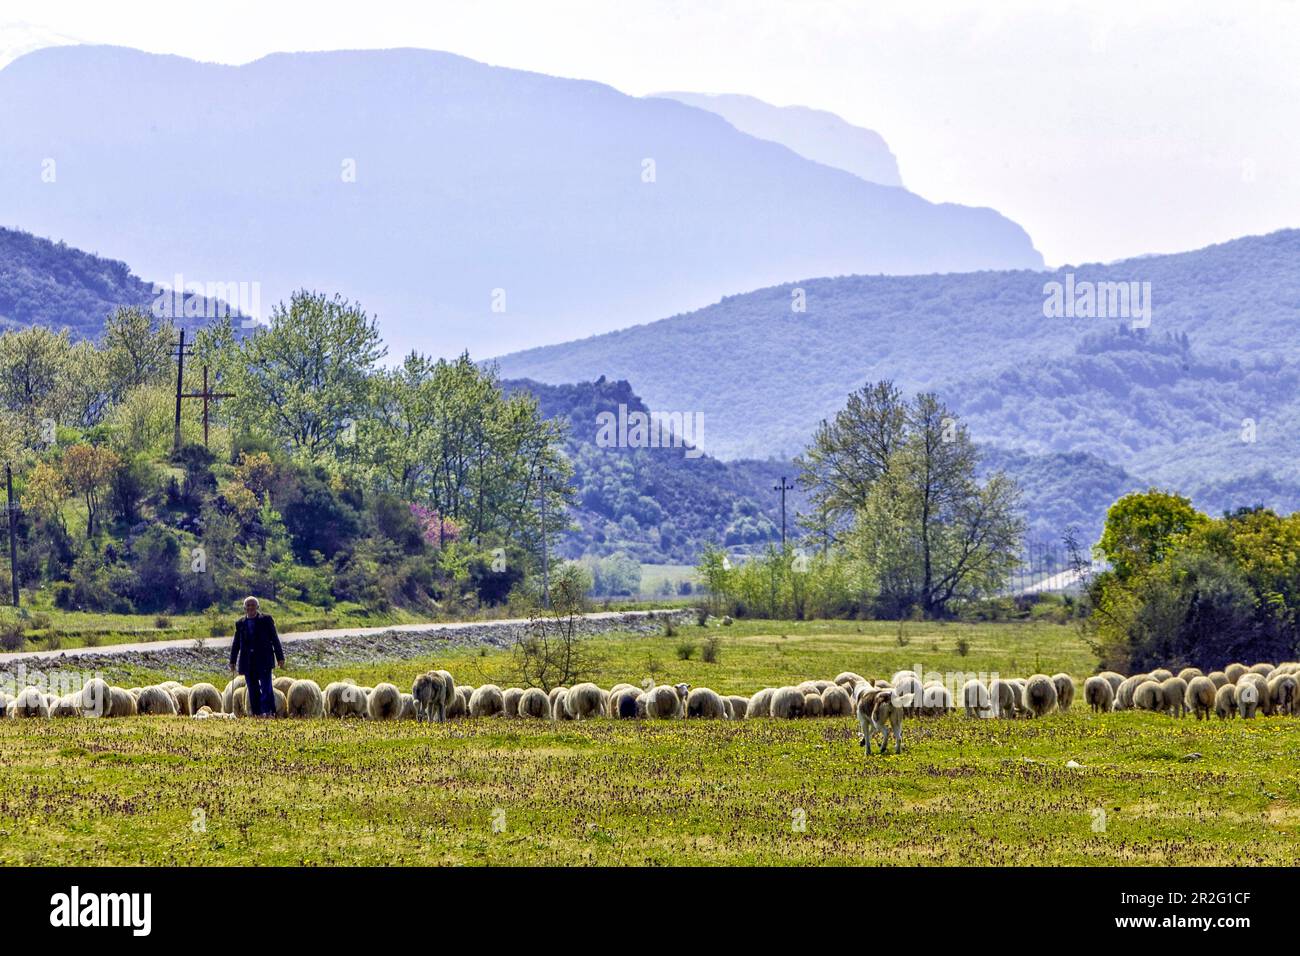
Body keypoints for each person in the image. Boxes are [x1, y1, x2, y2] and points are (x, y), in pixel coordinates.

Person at [229, 596, 285, 717]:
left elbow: (274, 639)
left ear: (257, 607)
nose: (250, 607)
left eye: (253, 605)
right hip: (248, 662)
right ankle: (257, 713)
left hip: (264, 660)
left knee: (266, 687)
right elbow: (236, 643)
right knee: (252, 689)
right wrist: (232, 661)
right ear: (245, 608)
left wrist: (280, 657)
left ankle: (268, 712)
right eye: (248, 605)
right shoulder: (240, 624)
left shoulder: (266, 620)